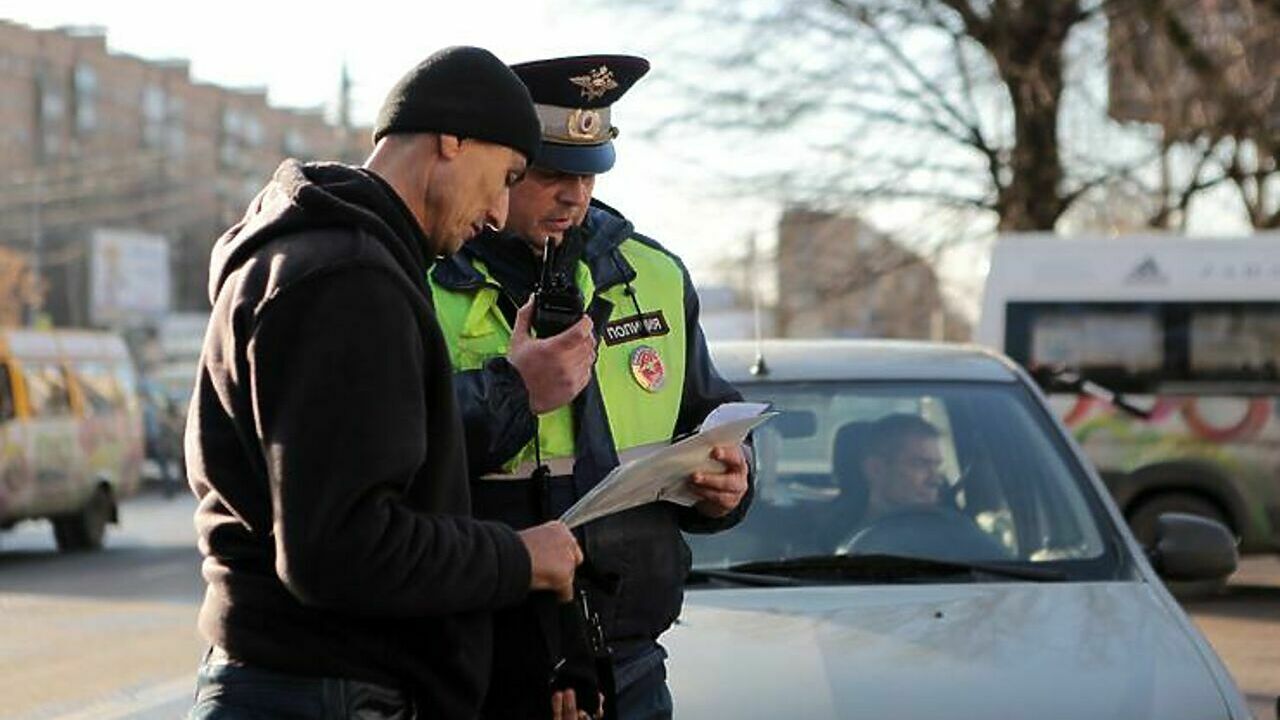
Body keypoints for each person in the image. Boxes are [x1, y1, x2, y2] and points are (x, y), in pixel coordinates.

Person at [185, 46, 583, 720]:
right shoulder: (349, 279)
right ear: (452, 138)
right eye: (507, 175)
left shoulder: (316, 256)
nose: (497, 211)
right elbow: (341, 549)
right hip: (326, 692)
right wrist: (519, 557)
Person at [429, 55, 753, 720]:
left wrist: (733, 483)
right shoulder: (423, 279)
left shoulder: (654, 274)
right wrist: (514, 392)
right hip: (474, 665)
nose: (575, 195)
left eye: (590, 171)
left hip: (625, 662)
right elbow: (392, 449)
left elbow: (708, 411)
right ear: (504, 166)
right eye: (552, 173)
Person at [859, 413, 946, 522]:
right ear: (875, 469)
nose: (936, 480)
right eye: (920, 464)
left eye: (937, 466)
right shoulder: (840, 531)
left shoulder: (954, 529)